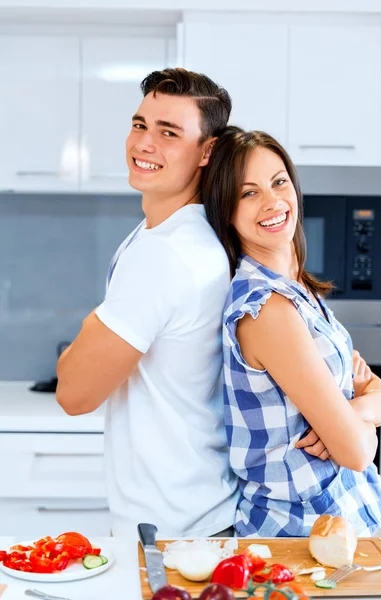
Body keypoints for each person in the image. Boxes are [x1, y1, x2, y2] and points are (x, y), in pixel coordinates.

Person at [56, 69, 239, 538]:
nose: (145, 143)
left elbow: (74, 393)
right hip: (203, 514)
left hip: (175, 535)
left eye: (169, 132)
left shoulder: (166, 254)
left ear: (208, 151)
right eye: (140, 124)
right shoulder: (185, 233)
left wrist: (89, 329)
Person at [202, 126, 381, 537]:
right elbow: (358, 453)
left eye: (279, 182)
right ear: (226, 212)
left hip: (331, 526)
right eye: (248, 193)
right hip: (294, 535)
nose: (272, 202)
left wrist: (361, 409)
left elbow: (374, 388)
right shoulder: (267, 309)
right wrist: (362, 417)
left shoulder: (297, 289)